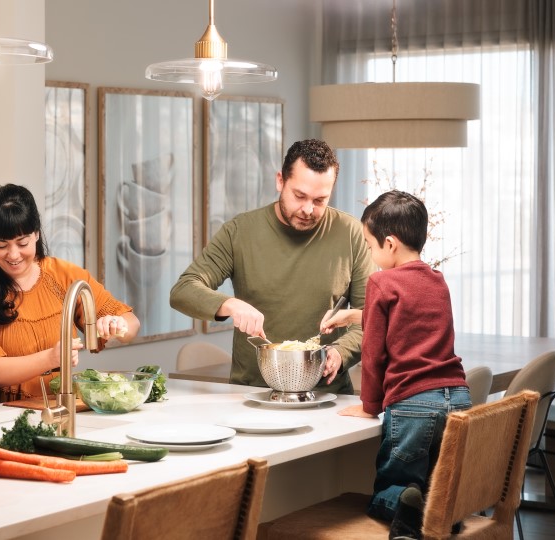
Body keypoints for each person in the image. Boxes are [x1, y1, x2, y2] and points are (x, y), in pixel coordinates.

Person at [170, 139, 376, 394]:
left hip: (326, 395)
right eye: (299, 196)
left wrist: (341, 353)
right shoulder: (240, 231)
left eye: (320, 200)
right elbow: (183, 290)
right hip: (250, 394)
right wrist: (230, 305)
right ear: (280, 181)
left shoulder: (350, 233)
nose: (308, 209)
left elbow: (370, 316)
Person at [336, 190, 470, 539]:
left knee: (391, 488)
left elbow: (374, 353)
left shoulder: (380, 282)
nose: (369, 252)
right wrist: (354, 315)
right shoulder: (437, 280)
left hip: (413, 404)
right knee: (435, 482)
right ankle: (437, 514)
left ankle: (408, 511)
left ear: (390, 244)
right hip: (456, 398)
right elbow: (413, 323)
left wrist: (369, 407)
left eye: (368, 244)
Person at [0, 183, 140, 403]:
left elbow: (132, 324)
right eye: (2, 245)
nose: (13, 254)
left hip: (58, 403)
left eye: (22, 243)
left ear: (36, 234)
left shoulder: (63, 275)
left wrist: (116, 324)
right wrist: (51, 358)